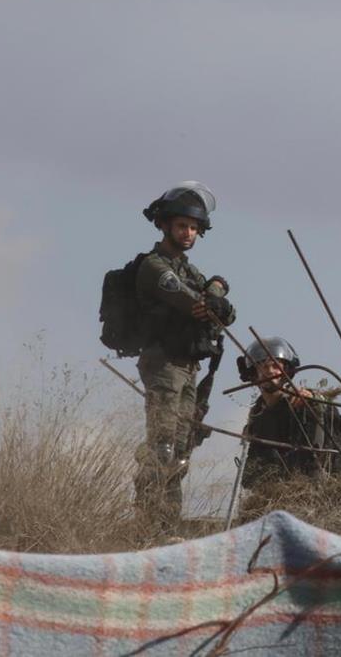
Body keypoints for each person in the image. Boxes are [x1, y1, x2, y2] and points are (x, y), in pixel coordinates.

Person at [132, 181, 236, 532]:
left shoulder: (188, 269)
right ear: (164, 225)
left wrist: (218, 291)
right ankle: (148, 521)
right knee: (161, 444)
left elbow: (224, 311)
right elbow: (192, 303)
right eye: (181, 226)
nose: (188, 232)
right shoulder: (154, 266)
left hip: (188, 366)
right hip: (164, 364)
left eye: (193, 227)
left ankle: (167, 520)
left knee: (180, 449)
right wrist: (213, 294)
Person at [237, 336, 341, 489]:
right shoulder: (258, 415)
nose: (269, 371)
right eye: (262, 366)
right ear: (254, 373)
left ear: (286, 371)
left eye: (275, 366)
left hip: (310, 491)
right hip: (271, 497)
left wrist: (314, 400)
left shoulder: (301, 402)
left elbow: (332, 429)